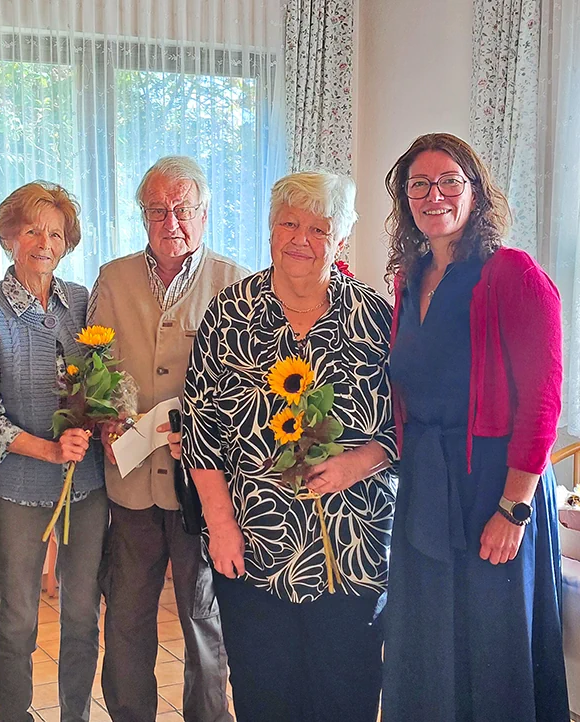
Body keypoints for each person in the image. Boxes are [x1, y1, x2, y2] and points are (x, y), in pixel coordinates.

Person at [183, 172, 396, 721]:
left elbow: (406, 422)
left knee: (345, 694)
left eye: (319, 227)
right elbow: (201, 431)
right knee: (265, 695)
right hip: (254, 546)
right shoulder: (230, 314)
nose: (300, 238)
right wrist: (222, 526)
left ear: (341, 240)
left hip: (351, 548)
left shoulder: (375, 317)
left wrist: (357, 462)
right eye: (288, 223)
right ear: (271, 229)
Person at [382, 133, 569, 720]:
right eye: (419, 184)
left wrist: (513, 508)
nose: (433, 195)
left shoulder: (512, 273)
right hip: (428, 482)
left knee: (493, 646)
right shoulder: (409, 279)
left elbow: (543, 400)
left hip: (495, 484)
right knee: (428, 638)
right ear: (405, 198)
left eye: (449, 182)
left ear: (475, 191)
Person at [88, 155, 244, 722]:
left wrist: (210, 434)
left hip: (202, 490)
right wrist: (107, 416)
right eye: (157, 210)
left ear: (204, 213)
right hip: (130, 480)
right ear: (142, 216)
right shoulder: (114, 277)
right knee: (127, 617)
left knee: (204, 618)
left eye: (182, 209)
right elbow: (94, 364)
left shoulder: (236, 283)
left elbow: (249, 388)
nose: (170, 221)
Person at [0, 181, 106, 722]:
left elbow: (102, 385)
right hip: (19, 491)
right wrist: (49, 451)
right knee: (17, 620)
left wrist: (102, 419)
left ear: (67, 242)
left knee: (82, 618)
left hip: (86, 488)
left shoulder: (83, 304)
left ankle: (77, 716)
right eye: (31, 230)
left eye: (55, 233)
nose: (43, 242)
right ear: (9, 237)